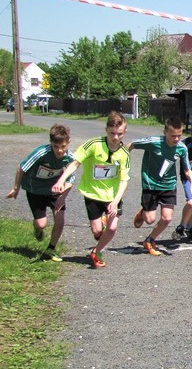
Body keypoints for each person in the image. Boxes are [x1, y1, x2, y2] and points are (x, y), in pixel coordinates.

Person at [52, 112, 130, 268]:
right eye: (112, 133)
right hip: (92, 194)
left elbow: (124, 180)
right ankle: (101, 229)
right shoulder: (94, 144)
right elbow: (75, 163)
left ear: (125, 132)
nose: (115, 137)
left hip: (112, 196)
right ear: (106, 130)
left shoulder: (124, 153)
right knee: (97, 231)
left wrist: (115, 202)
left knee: (112, 227)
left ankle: (96, 251)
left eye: (120, 134)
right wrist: (61, 180)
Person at [6, 124, 75, 262]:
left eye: (63, 146)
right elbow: (21, 168)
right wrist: (16, 188)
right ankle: (37, 229)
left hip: (55, 190)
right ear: (51, 143)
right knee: (41, 224)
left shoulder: (70, 157)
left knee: (60, 220)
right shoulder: (41, 153)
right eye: (56, 146)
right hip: (35, 190)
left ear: (68, 142)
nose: (60, 150)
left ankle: (51, 249)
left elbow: (71, 178)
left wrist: (63, 197)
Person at [130, 117, 192, 256]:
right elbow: (131, 144)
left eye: (179, 135)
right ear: (165, 132)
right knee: (149, 220)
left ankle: (150, 240)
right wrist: (122, 161)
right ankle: (143, 212)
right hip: (151, 184)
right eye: (173, 136)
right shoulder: (153, 142)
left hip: (169, 185)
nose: (176, 139)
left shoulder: (182, 148)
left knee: (167, 218)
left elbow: (187, 169)